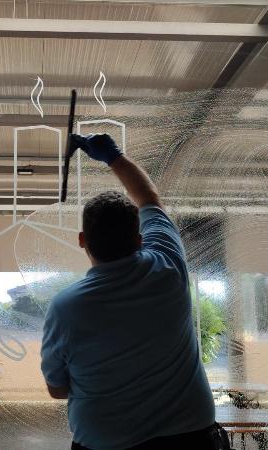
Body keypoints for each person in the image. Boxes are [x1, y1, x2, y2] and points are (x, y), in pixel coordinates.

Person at [41, 133, 222, 450]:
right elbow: (149, 198)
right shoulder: (167, 265)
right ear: (140, 239)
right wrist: (114, 156)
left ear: (83, 240)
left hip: (107, 443)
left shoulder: (66, 308)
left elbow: (57, 388)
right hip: (191, 439)